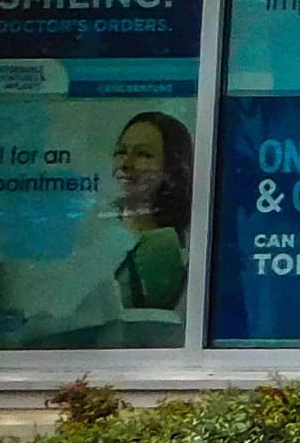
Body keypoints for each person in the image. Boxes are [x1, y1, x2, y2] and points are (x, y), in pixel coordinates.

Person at [22, 110, 193, 344]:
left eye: (144, 154)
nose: (126, 164)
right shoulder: (92, 227)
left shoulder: (190, 241)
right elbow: (50, 307)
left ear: (171, 168)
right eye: (121, 152)